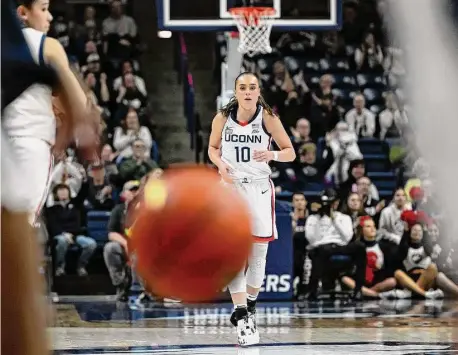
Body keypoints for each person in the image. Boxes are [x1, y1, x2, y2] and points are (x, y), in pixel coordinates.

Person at [208, 72, 296, 346]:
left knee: (258, 256)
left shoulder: (268, 118)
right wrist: (221, 166)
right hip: (231, 190)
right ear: (236, 92)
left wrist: (272, 155)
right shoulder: (222, 118)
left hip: (258, 188)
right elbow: (212, 148)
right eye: (242, 88)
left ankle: (250, 309)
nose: (247, 92)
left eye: (252, 87)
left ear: (259, 91)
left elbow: (290, 152)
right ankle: (241, 313)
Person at [3, 0, 100, 227]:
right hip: (30, 143)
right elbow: (80, 103)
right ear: (23, 13)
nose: (50, 18)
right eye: (44, 9)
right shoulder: (47, 45)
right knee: (20, 228)